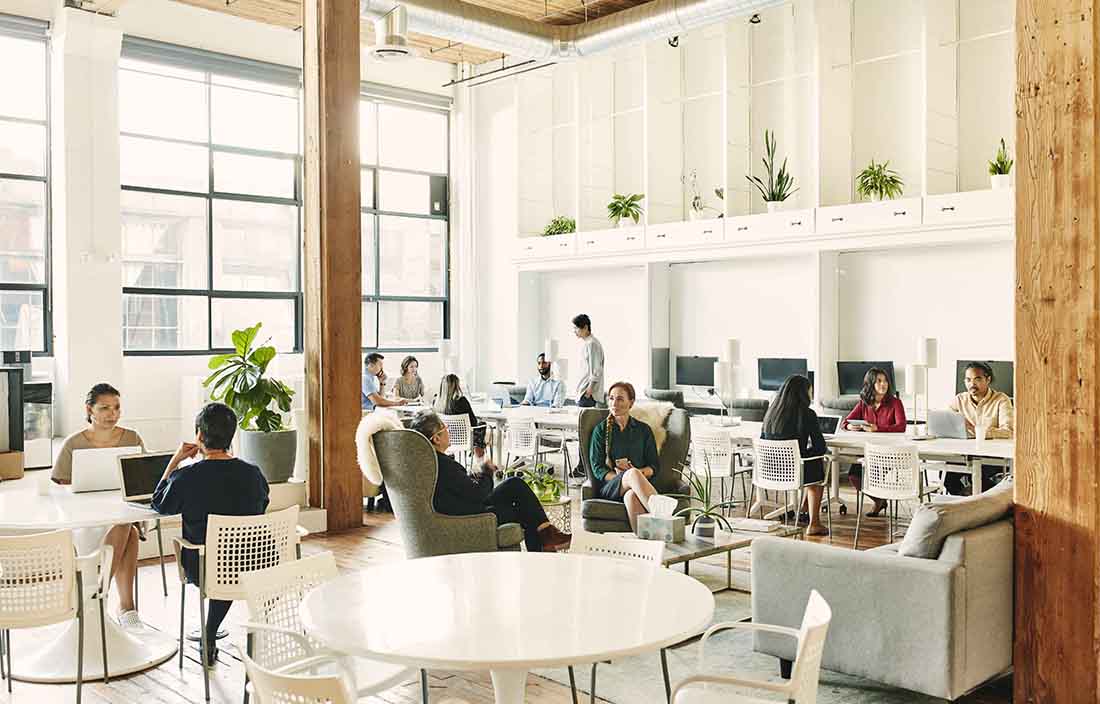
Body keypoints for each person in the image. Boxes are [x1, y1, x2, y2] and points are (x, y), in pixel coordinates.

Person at [151, 402, 270, 666]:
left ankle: (209, 633)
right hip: (255, 564)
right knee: (231, 557)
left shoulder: (186, 476)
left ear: (199, 437)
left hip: (204, 567)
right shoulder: (253, 473)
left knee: (221, 563)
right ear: (231, 436)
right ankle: (211, 632)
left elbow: (159, 503)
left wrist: (175, 460)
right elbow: (262, 506)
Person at [51, 383, 147, 631]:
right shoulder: (73, 444)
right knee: (129, 531)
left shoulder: (132, 438)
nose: (112, 414)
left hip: (121, 512)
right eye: (104, 408)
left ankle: (98, 598)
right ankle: (122, 605)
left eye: (116, 408)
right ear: (90, 410)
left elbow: (143, 480)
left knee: (126, 525)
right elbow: (60, 486)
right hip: (85, 518)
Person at [407, 410, 571, 552]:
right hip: (470, 513)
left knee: (514, 484)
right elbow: (479, 494)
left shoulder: (430, 462)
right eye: (445, 428)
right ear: (436, 438)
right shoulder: (445, 465)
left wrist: (474, 475)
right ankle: (543, 548)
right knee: (522, 510)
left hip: (460, 506)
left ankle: (546, 533)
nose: (448, 430)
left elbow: (460, 487)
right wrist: (486, 470)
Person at [758, 374, 829, 537]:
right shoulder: (807, 414)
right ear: (804, 393)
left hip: (769, 472)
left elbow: (764, 440)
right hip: (794, 472)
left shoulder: (771, 414)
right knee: (818, 464)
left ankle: (804, 507)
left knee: (809, 463)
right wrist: (802, 453)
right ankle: (814, 524)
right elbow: (820, 448)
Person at [587, 381, 661, 532]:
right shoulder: (600, 431)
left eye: (620, 399)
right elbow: (597, 468)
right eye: (611, 398)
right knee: (632, 474)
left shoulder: (643, 430)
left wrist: (638, 475)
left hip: (639, 487)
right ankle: (664, 518)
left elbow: (654, 466)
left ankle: (646, 546)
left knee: (631, 496)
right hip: (610, 487)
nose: (614, 403)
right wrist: (621, 477)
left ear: (631, 403)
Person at [841, 368, 907, 517]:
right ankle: (879, 500)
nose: (883, 384)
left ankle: (879, 501)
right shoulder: (864, 403)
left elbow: (901, 427)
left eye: (885, 381)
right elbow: (845, 422)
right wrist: (850, 426)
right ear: (871, 384)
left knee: (873, 477)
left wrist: (878, 429)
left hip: (888, 452)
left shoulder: (895, 402)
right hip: (868, 451)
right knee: (854, 476)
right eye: (879, 381)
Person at [944, 361, 1015, 494]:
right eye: (968, 380)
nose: (972, 384)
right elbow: (946, 421)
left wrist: (978, 431)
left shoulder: (1001, 399)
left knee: (979, 477)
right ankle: (967, 502)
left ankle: (981, 501)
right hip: (965, 453)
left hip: (992, 455)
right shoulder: (959, 399)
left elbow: (1009, 431)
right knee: (949, 478)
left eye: (977, 379)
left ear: (988, 380)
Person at [434, 374, 490, 462]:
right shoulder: (461, 401)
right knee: (481, 425)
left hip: (445, 438)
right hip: (464, 438)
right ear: (456, 386)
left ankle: (451, 456)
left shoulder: (437, 403)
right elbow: (473, 422)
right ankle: (479, 460)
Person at [572, 313, 605, 408]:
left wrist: (589, 390)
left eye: (576, 328)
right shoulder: (587, 343)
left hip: (588, 393)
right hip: (583, 391)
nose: (574, 331)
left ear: (585, 327)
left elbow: (596, 369)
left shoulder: (592, 344)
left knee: (584, 422)